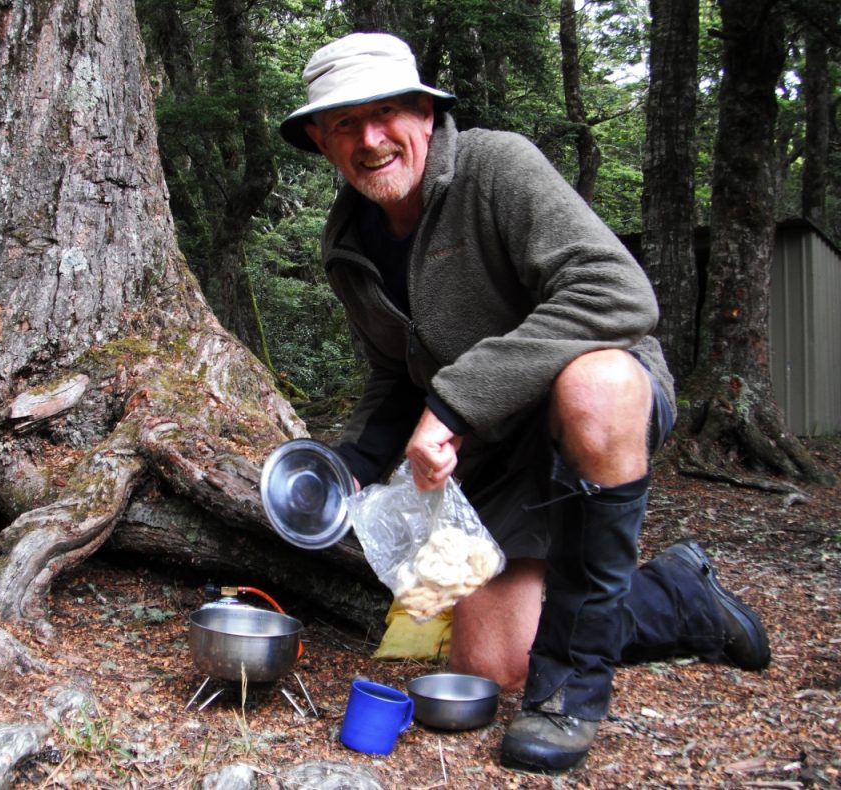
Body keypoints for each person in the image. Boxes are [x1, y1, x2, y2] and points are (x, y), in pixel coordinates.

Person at [279, 32, 771, 772]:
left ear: (423, 112)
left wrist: (452, 404)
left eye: (387, 113)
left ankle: (571, 691)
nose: (371, 139)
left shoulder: (495, 167)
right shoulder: (350, 239)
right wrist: (352, 464)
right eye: (345, 123)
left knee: (593, 383)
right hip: (496, 445)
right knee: (493, 666)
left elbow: (617, 293)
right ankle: (683, 599)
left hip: (595, 407)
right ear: (320, 140)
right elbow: (396, 373)